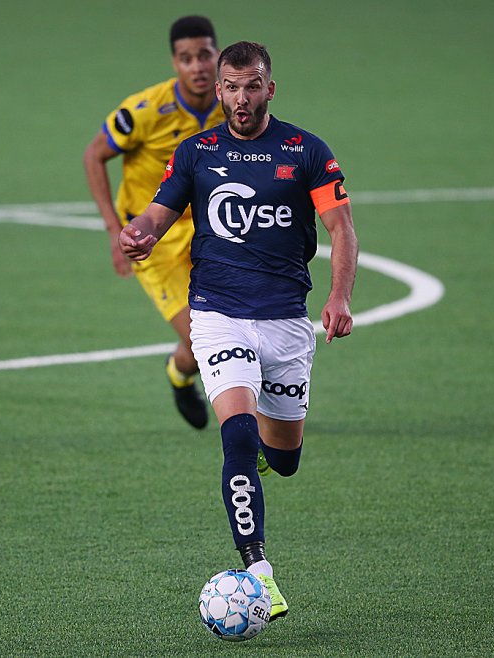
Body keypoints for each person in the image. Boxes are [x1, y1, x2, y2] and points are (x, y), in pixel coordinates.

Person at [119, 41, 358, 622]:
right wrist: (141, 232)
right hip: (218, 312)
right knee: (237, 436)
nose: (242, 98)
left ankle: (256, 467)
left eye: (253, 87)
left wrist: (339, 296)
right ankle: (259, 573)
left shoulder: (306, 151)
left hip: (286, 323)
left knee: (288, 456)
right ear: (219, 90)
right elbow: (160, 210)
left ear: (269, 88)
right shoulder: (197, 152)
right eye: (232, 87)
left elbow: (341, 228)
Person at [83, 16, 224, 430]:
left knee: (237, 329)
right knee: (203, 342)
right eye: (186, 59)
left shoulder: (231, 105)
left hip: (210, 233)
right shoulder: (144, 110)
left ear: (217, 54)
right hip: (153, 239)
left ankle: (197, 379)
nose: (197, 66)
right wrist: (113, 230)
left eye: (204, 55)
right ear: (174, 63)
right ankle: (181, 375)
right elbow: (94, 156)